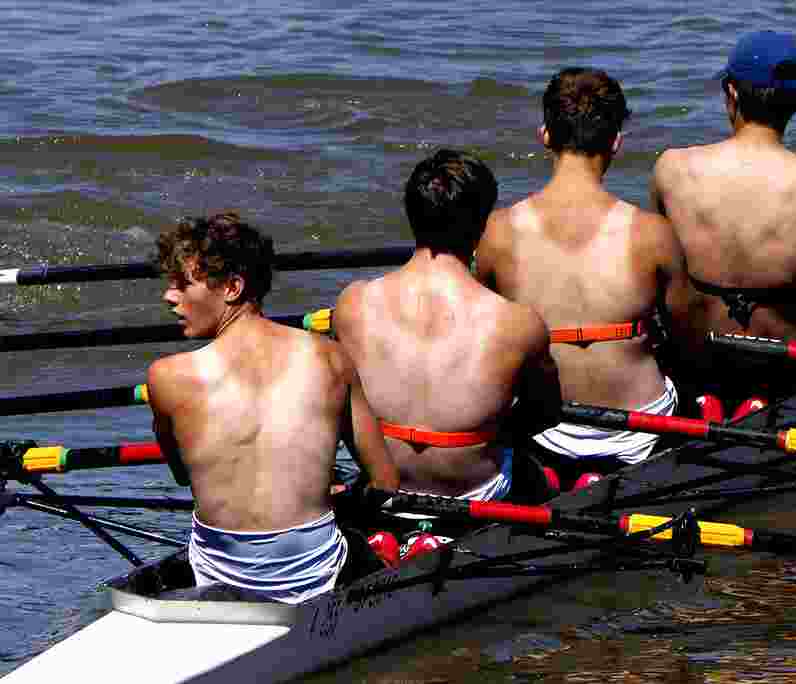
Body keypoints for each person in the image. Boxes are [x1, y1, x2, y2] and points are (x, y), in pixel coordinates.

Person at [147, 212, 398, 604]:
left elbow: (182, 475)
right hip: (316, 573)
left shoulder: (166, 377)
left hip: (217, 573)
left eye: (183, 284)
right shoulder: (330, 357)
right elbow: (384, 482)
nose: (169, 296)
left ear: (232, 287)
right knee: (364, 525)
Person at [474, 68, 696, 483]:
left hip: (545, 431)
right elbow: (688, 338)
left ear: (544, 135)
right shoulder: (653, 233)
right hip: (641, 432)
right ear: (616, 142)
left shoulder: (496, 232)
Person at [649, 31, 796, 418]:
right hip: (780, 366)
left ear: (732, 91)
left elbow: (656, 277)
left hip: (700, 360)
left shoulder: (671, 168)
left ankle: (707, 403)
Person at [333, 150, 560, 502]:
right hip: (475, 493)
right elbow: (545, 411)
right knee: (531, 470)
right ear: (482, 225)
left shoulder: (352, 304)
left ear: (412, 215)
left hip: (385, 486)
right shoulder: (518, 323)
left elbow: (345, 414)